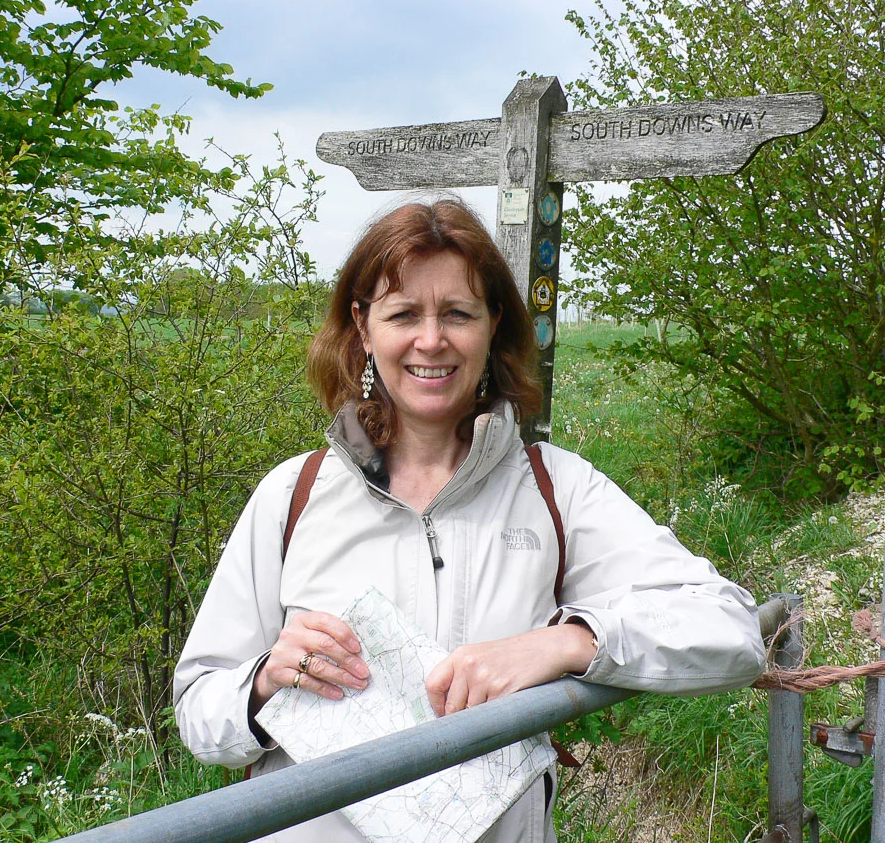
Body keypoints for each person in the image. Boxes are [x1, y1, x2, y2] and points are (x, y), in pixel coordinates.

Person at [173, 199, 765, 842]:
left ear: (493, 325)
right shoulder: (294, 494)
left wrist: (567, 644)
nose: (432, 340)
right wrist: (261, 685)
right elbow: (200, 709)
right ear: (364, 328)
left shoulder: (553, 489)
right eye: (403, 314)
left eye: (457, 313)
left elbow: (730, 628)